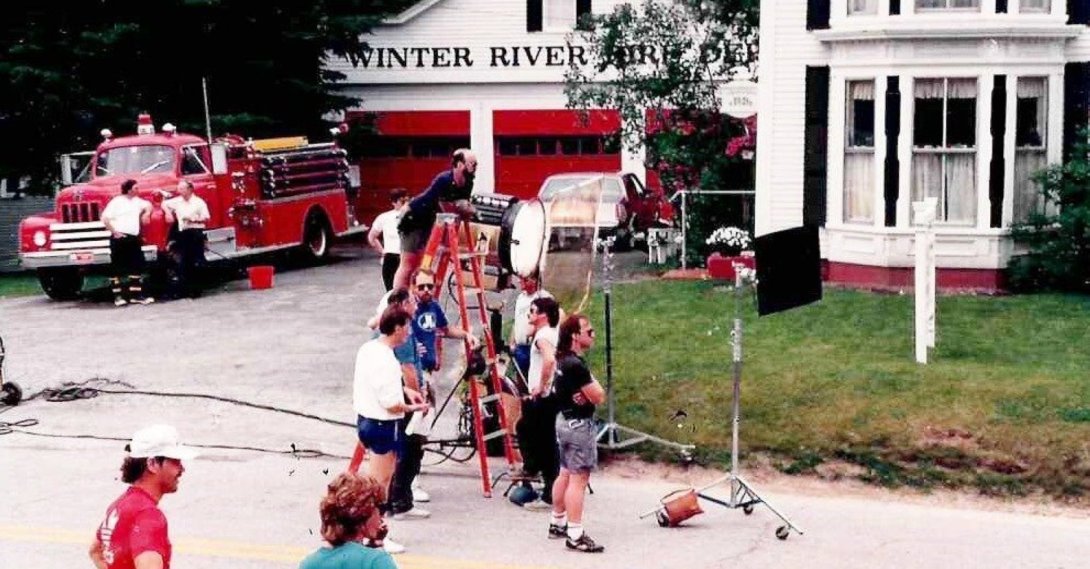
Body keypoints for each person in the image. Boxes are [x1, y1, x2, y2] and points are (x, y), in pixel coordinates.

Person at [353, 305, 428, 555]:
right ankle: (375, 535)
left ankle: (369, 530)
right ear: (396, 328)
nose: (409, 332)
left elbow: (379, 386)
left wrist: (407, 390)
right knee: (380, 485)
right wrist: (413, 407)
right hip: (383, 425)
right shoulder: (386, 359)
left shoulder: (370, 349)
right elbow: (391, 404)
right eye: (406, 326)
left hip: (365, 420)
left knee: (377, 482)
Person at [89, 424, 198, 569]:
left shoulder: (120, 505)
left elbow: (96, 551)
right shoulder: (148, 515)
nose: (182, 469)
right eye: (175, 461)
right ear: (152, 464)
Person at [549, 314, 606, 553]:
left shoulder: (563, 360)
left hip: (563, 420)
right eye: (589, 331)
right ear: (575, 335)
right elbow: (599, 396)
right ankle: (575, 533)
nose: (592, 335)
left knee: (564, 472)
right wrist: (591, 386)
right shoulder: (577, 365)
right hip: (579, 425)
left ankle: (557, 521)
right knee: (579, 478)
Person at [392, 149, 477, 290]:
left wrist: (469, 211)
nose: (475, 167)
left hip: (428, 221)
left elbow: (462, 205)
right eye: (472, 163)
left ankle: (412, 298)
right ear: (460, 164)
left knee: (420, 264)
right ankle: (396, 299)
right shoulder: (444, 180)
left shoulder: (468, 183)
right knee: (408, 263)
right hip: (413, 217)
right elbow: (447, 209)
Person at [380, 288, 431, 522]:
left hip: (407, 397)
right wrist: (418, 396)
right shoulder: (401, 335)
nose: (417, 304)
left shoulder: (400, 330)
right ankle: (398, 502)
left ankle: (403, 499)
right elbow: (407, 369)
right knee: (409, 450)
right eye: (412, 301)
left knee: (411, 451)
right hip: (405, 403)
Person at [516, 296, 561, 511]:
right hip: (549, 396)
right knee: (529, 430)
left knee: (540, 439)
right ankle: (539, 475)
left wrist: (541, 387)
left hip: (543, 397)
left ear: (543, 314)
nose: (529, 314)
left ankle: (542, 483)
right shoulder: (552, 332)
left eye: (532, 311)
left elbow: (549, 360)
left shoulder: (542, 336)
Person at [298, 473, 398, 569]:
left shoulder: (310, 563)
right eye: (380, 509)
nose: (381, 517)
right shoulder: (377, 561)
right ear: (366, 515)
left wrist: (376, 543)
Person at [101, 179, 154, 306]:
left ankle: (136, 296)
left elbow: (148, 205)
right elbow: (105, 218)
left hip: (133, 238)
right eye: (136, 188)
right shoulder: (117, 201)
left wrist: (146, 214)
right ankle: (118, 297)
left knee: (136, 265)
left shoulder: (137, 201)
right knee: (117, 267)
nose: (138, 190)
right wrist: (115, 232)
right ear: (129, 189)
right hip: (120, 238)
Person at [162, 180, 210, 299]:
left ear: (190, 189)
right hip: (183, 233)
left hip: (195, 231)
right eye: (179, 189)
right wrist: (168, 213)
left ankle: (197, 289)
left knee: (197, 260)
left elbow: (206, 217)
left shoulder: (199, 202)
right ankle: (186, 289)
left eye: (182, 189)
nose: (180, 191)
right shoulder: (177, 201)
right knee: (184, 261)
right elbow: (164, 204)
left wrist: (193, 219)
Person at [508, 276, 553, 380]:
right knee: (521, 380)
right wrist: (512, 342)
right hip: (520, 348)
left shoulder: (544, 298)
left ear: (535, 280)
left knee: (535, 379)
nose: (520, 281)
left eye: (525, 279)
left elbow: (550, 323)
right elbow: (517, 321)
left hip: (535, 348)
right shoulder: (520, 298)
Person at [368, 188, 409, 291]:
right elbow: (372, 237)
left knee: (408, 291)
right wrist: (382, 251)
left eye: (407, 201)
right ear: (394, 202)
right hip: (391, 257)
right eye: (402, 201)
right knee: (391, 292)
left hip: (407, 256)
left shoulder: (414, 216)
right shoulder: (384, 217)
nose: (405, 204)